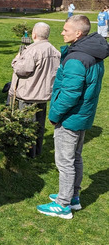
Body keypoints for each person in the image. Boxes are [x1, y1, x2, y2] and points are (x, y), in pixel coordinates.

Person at [37, 15, 108, 219]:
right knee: (75, 157)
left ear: (78, 33)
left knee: (65, 161)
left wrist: (54, 114)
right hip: (83, 116)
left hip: (70, 118)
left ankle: (63, 205)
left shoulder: (77, 59)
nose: (61, 32)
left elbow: (70, 94)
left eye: (66, 29)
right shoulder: (91, 53)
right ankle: (72, 196)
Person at [8, 22, 60, 158]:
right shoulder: (55, 51)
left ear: (34, 34)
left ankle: (27, 154)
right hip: (43, 95)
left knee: (27, 126)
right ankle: (37, 151)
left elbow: (21, 70)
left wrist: (16, 59)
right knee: (39, 125)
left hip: (29, 94)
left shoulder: (32, 50)